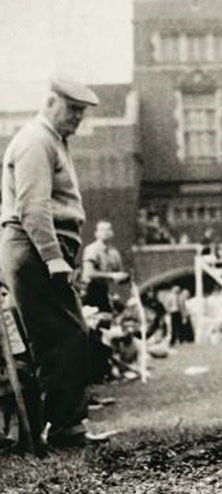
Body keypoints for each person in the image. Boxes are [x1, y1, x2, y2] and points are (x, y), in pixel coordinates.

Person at [0, 77, 112, 447]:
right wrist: (53, 258)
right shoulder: (36, 139)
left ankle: (63, 425)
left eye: (82, 111)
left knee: (63, 336)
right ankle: (64, 428)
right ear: (50, 102)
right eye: (73, 109)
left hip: (42, 251)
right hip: (34, 249)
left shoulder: (52, 140)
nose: (79, 117)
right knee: (64, 337)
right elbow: (32, 207)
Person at [81, 220, 129, 314]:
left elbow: (119, 273)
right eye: (102, 230)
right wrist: (112, 275)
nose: (106, 232)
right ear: (96, 233)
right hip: (91, 292)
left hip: (107, 291)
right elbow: (88, 273)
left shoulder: (113, 252)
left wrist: (124, 277)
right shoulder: (92, 249)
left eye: (108, 229)